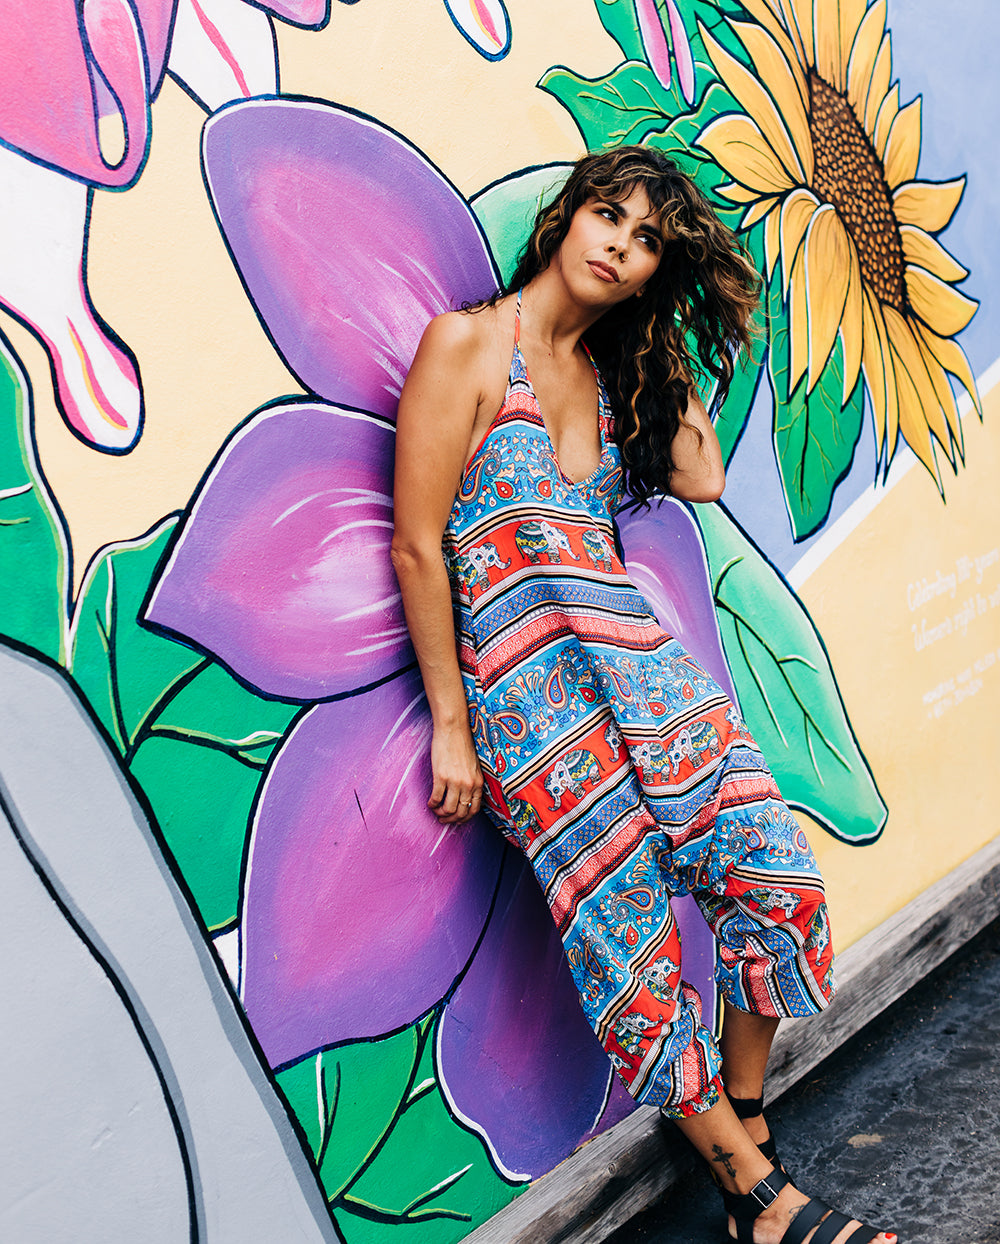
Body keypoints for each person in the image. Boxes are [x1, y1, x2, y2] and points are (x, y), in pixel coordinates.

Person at [391, 146, 895, 1244]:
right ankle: (762, 1202)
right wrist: (450, 726)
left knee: (778, 880)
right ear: (565, 218)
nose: (617, 242)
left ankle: (743, 1129)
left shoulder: (621, 375)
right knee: (632, 954)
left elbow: (702, 476)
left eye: (647, 238)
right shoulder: (469, 347)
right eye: (606, 215)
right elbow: (422, 548)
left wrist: (659, 336)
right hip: (540, 721)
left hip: (654, 685)